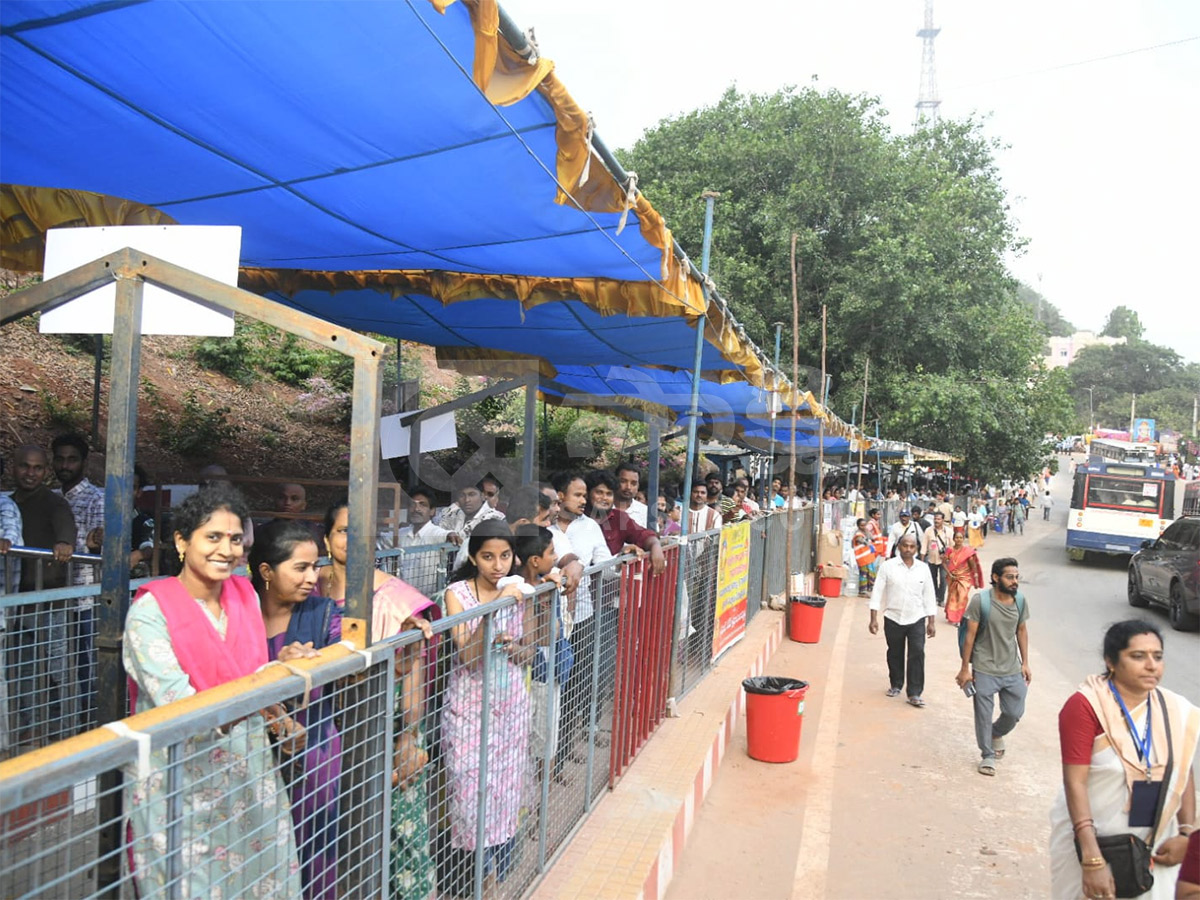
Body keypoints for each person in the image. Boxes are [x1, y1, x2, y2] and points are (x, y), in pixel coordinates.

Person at [122, 485, 304, 897]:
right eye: (213, 537)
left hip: (248, 772)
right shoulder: (151, 611)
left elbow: (250, 673)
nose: (227, 549)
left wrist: (283, 672)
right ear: (182, 541)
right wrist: (265, 684)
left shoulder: (243, 596)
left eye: (236, 539)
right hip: (181, 784)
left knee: (260, 880)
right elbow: (183, 705)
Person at [317, 498, 438, 898]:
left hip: (386, 730)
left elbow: (414, 671)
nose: (352, 540)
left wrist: (408, 736)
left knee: (399, 836)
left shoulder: (397, 598)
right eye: (343, 531)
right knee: (340, 840)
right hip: (327, 733)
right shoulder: (311, 589)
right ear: (326, 537)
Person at [1050, 620, 1200, 900]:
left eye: (1157, 657)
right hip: (1094, 842)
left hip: (1156, 841)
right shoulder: (1086, 705)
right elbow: (1075, 782)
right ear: (1111, 661)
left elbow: (1183, 768)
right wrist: (1092, 857)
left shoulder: (1174, 709)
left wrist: (1185, 833)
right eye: (1138, 656)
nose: (1151, 665)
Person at [441, 520, 534, 892]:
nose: (498, 565)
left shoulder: (521, 591)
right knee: (467, 791)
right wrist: (496, 605)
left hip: (510, 706)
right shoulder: (455, 594)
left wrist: (516, 647)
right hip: (467, 708)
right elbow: (466, 655)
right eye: (488, 557)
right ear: (473, 557)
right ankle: (472, 876)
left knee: (504, 791)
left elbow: (529, 651)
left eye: (505, 556)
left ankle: (495, 871)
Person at [252, 520, 342, 900]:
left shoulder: (323, 612)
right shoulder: (239, 614)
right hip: (251, 755)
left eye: (315, 566)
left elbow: (345, 646)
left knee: (315, 848)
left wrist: (317, 657)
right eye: (301, 568)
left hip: (314, 752)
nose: (313, 577)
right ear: (267, 572)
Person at [955, 557, 1031, 776]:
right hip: (985, 666)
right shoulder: (981, 602)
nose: (1014, 581)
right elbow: (969, 636)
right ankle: (987, 755)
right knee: (983, 714)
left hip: (1011, 667)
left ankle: (995, 733)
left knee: (1014, 712)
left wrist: (1025, 663)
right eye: (1009, 577)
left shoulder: (1020, 601)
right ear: (996, 577)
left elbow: (1022, 631)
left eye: (1016, 577)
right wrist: (964, 669)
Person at [868, 534, 936, 708]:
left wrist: (931, 621)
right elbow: (877, 592)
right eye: (905, 546)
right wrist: (873, 618)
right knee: (895, 652)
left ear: (917, 549)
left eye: (912, 546)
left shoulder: (923, 568)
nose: (908, 549)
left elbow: (929, 595)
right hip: (893, 617)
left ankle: (914, 692)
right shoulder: (888, 567)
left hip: (917, 618)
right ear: (898, 546)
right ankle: (896, 684)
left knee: (917, 653)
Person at [51, 432, 104, 586]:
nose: (65, 466)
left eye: (72, 460)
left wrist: (94, 545)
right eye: (60, 459)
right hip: (53, 591)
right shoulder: (52, 498)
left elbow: (103, 548)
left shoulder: (96, 500)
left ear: (84, 463)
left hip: (84, 595)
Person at [943, 531, 984, 625]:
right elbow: (944, 562)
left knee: (962, 597)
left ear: (963, 539)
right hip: (952, 577)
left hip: (965, 578)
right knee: (953, 597)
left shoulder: (968, 551)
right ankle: (952, 617)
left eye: (961, 538)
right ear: (953, 539)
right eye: (957, 538)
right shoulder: (949, 550)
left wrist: (976, 579)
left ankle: (959, 618)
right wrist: (949, 573)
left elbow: (973, 566)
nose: (959, 539)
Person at [921, 511, 954, 607]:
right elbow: (924, 546)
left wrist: (948, 556)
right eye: (935, 519)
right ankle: (935, 596)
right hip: (931, 559)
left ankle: (941, 598)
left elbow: (953, 546)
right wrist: (922, 561)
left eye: (939, 519)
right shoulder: (928, 530)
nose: (936, 521)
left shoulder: (949, 531)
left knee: (944, 580)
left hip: (945, 561)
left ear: (943, 520)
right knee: (932, 579)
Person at [614, 461, 648, 527]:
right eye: (623, 481)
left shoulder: (645, 512)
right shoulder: (602, 509)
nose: (628, 487)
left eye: (633, 483)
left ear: (638, 486)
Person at [852, 518, 879, 598]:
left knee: (871, 573)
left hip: (869, 558)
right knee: (864, 574)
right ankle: (862, 591)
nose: (863, 527)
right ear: (858, 526)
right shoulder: (858, 535)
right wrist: (869, 542)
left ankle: (869, 590)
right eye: (861, 525)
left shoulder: (866, 532)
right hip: (862, 559)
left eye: (865, 525)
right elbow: (862, 541)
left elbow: (872, 538)